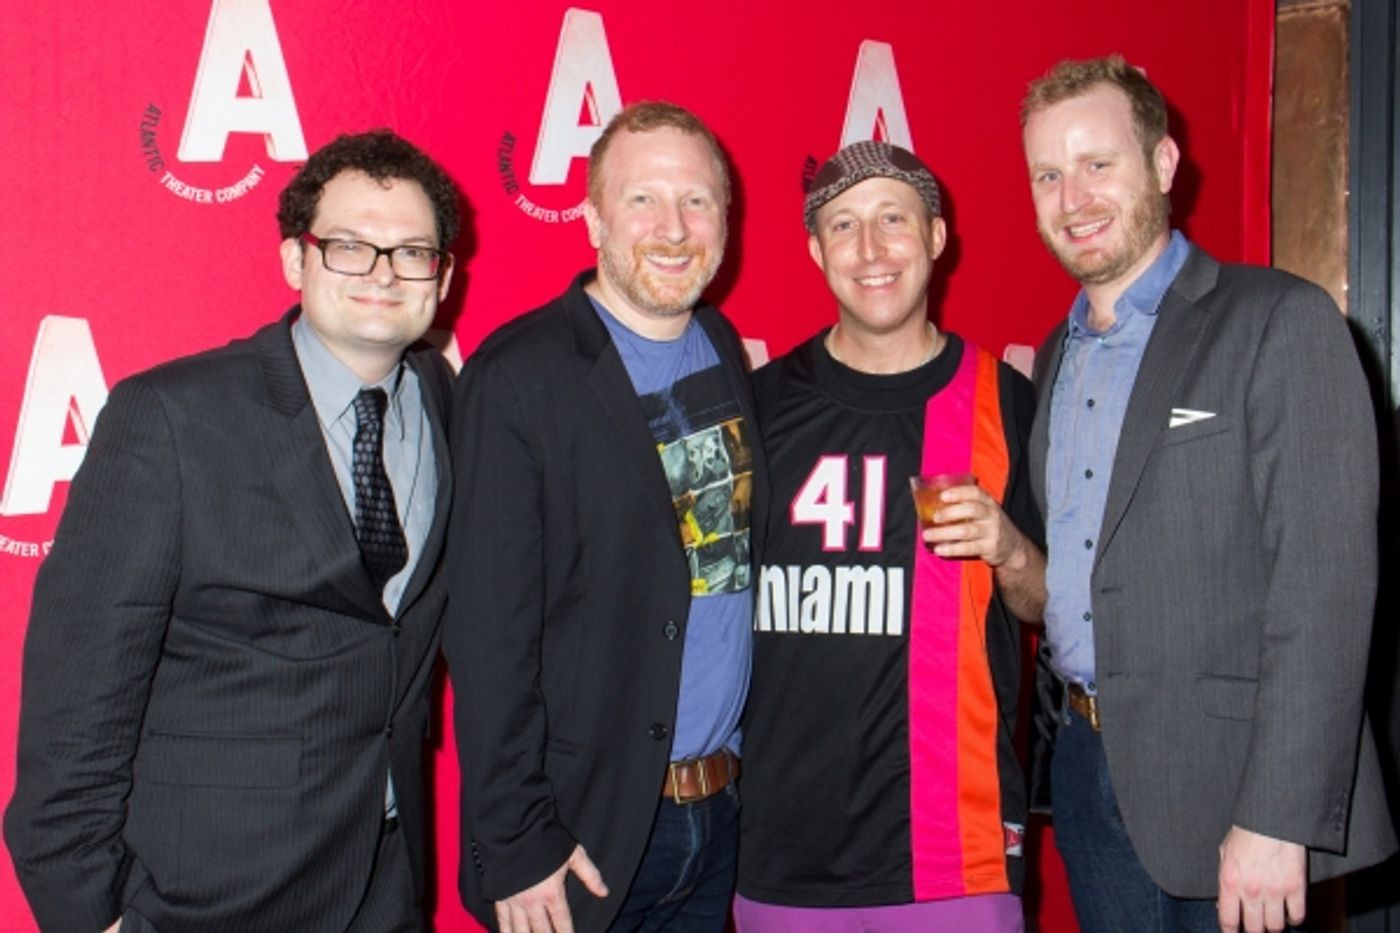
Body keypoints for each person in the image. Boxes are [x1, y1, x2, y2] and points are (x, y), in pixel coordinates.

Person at [5, 129, 461, 933]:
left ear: (442, 276)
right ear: (296, 260)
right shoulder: (173, 419)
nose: (383, 274)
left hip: (386, 887)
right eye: (351, 247)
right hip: (204, 901)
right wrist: (92, 916)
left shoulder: (455, 405)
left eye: (411, 251)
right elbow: (75, 710)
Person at [1020, 54, 1396, 933]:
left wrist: (1277, 814)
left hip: (1233, 786)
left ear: (1162, 164)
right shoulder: (1058, 352)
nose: (1072, 197)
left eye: (1098, 163)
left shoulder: (1280, 320)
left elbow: (1326, 586)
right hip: (1088, 773)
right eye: (1048, 173)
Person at [444, 101, 765, 933]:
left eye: (697, 201)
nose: (673, 227)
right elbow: (487, 636)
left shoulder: (725, 348)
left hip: (719, 817)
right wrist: (514, 841)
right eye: (642, 200)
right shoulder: (519, 378)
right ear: (591, 217)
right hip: (582, 836)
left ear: (726, 220)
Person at [733, 140, 1046, 933]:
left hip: (958, 858)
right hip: (780, 854)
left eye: (893, 220)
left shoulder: (1004, 402)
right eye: (844, 226)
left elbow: (1050, 600)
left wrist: (1009, 547)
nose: (870, 250)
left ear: (936, 237)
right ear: (815, 250)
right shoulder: (756, 407)